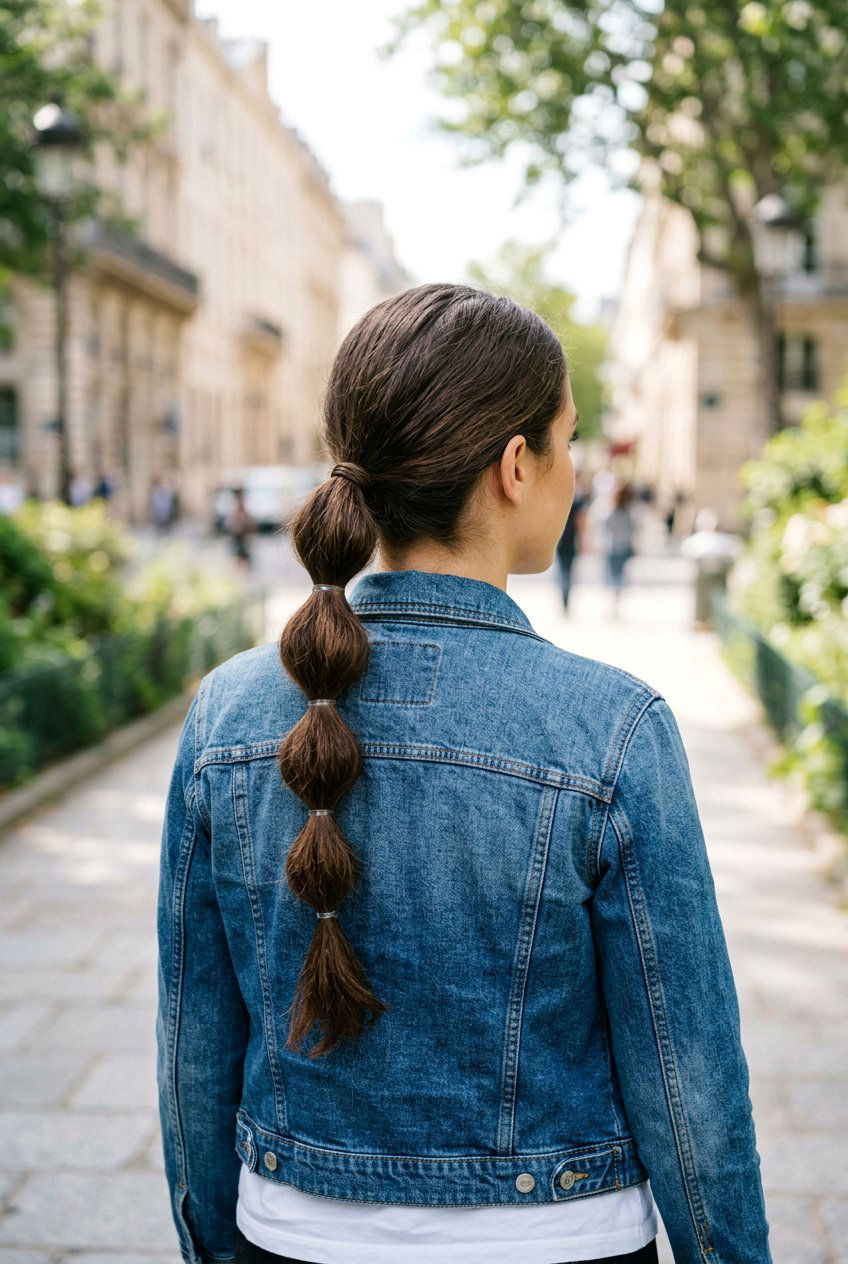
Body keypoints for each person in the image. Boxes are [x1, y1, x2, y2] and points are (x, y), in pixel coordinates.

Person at [156, 283, 772, 1264]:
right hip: (554, 1235)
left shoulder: (227, 715)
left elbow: (192, 1041)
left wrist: (214, 1249)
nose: (574, 471)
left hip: (292, 1233)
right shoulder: (611, 727)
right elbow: (683, 1071)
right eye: (568, 441)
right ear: (516, 465)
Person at [600, 483, 638, 621]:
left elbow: (605, 528)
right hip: (623, 548)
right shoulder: (628, 514)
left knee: (613, 575)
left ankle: (614, 603)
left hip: (613, 547)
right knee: (620, 575)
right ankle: (617, 602)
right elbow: (632, 531)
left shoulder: (612, 513)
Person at [555, 469, 590, 612]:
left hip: (561, 539)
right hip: (570, 540)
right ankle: (565, 598)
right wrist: (583, 540)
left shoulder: (562, 497)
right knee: (568, 571)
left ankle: (564, 598)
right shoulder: (578, 501)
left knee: (563, 571)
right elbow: (581, 522)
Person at [225, 485, 257, 571]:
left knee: (241, 552)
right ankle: (240, 570)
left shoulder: (236, 503)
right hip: (239, 532)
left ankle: (241, 570)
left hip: (239, 532)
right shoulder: (238, 503)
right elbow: (241, 518)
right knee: (240, 553)